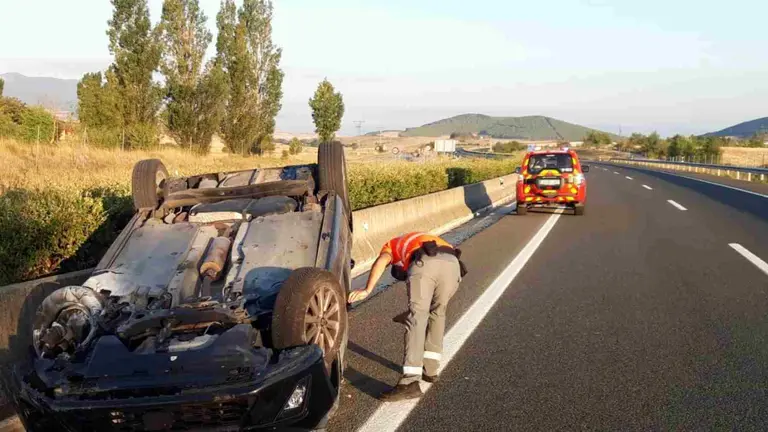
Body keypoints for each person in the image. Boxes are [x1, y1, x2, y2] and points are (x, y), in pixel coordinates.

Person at [347, 232, 466, 401]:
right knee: (437, 313)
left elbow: (381, 260)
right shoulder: (416, 239)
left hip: (425, 262)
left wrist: (367, 289)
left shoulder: (391, 245)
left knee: (417, 319)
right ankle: (430, 370)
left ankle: (409, 383)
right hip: (453, 265)